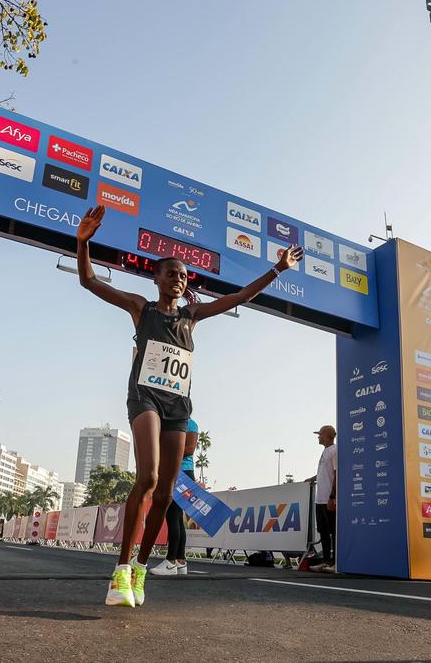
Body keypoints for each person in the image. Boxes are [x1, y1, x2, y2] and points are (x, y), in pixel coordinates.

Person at [75, 205, 303, 607]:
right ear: (156, 278)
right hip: (145, 398)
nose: (178, 279)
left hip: (178, 406)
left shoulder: (192, 316)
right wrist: (82, 243)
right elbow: (89, 281)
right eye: (171, 274)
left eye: (183, 275)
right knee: (148, 478)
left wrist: (277, 270)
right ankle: (120, 570)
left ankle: (140, 569)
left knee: (165, 494)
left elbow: (240, 296)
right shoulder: (141, 308)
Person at [151, 417, 200, 576]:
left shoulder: (190, 424)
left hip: (182, 473)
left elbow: (190, 449)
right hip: (175, 471)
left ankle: (170, 562)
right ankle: (180, 561)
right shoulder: (174, 422)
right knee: (177, 518)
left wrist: (165, 453)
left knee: (173, 516)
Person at [307, 425, 337, 572]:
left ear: (327, 435)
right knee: (323, 532)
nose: (318, 437)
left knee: (333, 532)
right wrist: (312, 478)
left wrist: (332, 497)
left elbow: (337, 474)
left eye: (320, 434)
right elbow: (324, 473)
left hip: (328, 499)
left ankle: (336, 563)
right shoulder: (325, 451)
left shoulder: (335, 450)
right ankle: (326, 562)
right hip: (320, 499)